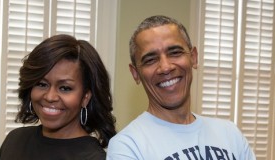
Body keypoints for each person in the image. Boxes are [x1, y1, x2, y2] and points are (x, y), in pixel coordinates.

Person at [106, 15, 255, 160]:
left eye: (175, 52)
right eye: (150, 59)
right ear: (135, 73)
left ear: (193, 57)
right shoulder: (127, 146)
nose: (165, 67)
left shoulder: (230, 134)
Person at [0, 34, 116, 160]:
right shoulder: (15, 141)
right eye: (42, 84)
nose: (50, 97)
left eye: (65, 88)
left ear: (85, 97)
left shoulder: (95, 157)